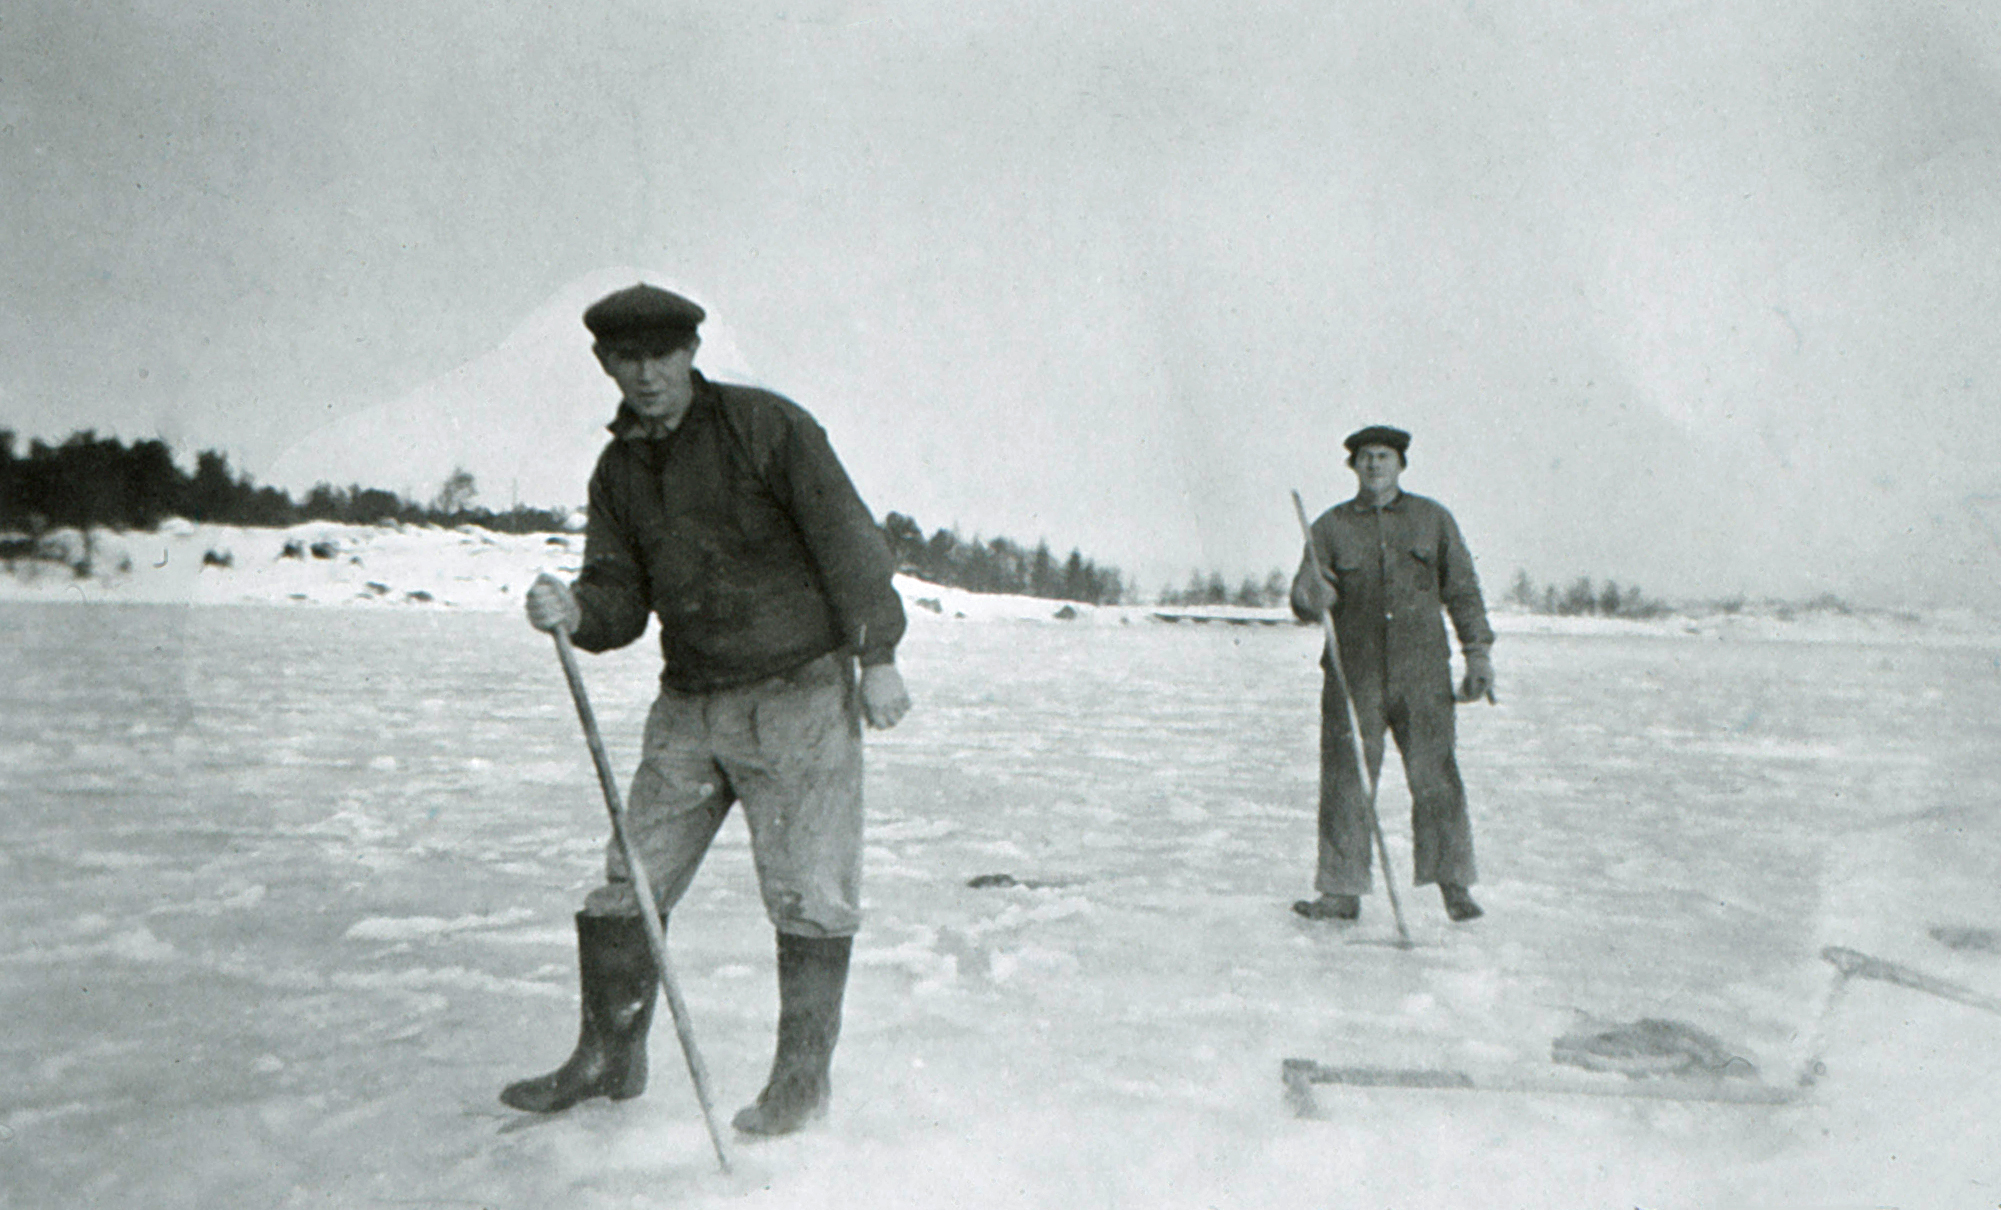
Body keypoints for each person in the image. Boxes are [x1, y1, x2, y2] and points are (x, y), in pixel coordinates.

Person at [502, 283, 911, 1138]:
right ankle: (611, 1057)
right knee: (630, 883)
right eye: (626, 359)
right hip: (689, 705)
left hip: (795, 695)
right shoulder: (618, 470)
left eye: (661, 355)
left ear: (691, 352)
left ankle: (799, 1086)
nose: (645, 375)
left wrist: (877, 656)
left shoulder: (767, 428)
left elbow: (850, 542)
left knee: (808, 893)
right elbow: (619, 596)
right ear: (604, 364)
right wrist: (577, 612)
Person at [1290, 424, 1494, 924]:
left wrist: (1479, 654)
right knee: (1346, 780)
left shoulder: (1432, 520)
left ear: (1401, 464)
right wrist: (1312, 595)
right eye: (1365, 457)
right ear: (1353, 467)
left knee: (1436, 778)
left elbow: (1463, 590)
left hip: (1422, 675)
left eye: (1384, 456)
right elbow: (1302, 596)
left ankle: (1455, 887)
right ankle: (1341, 892)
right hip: (1353, 676)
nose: (1374, 465)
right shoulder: (1330, 526)